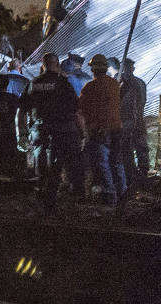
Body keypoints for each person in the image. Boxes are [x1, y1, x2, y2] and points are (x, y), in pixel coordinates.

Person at [19, 53, 84, 209]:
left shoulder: (33, 84)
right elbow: (76, 110)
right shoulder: (64, 84)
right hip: (62, 130)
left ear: (43, 64)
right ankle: (55, 195)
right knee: (59, 162)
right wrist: (81, 133)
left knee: (40, 161)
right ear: (57, 65)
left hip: (39, 129)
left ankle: (43, 192)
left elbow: (21, 110)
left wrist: (21, 134)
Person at [77, 54, 126, 205]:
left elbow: (81, 108)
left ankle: (110, 196)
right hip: (116, 128)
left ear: (93, 69)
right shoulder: (114, 84)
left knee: (102, 163)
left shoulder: (89, 87)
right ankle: (122, 193)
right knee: (116, 161)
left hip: (100, 130)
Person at [119, 58, 149, 187]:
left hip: (127, 120)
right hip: (138, 119)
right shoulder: (141, 82)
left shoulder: (123, 83)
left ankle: (132, 173)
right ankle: (143, 171)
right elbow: (143, 100)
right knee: (141, 146)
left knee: (127, 147)